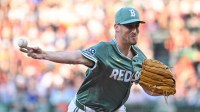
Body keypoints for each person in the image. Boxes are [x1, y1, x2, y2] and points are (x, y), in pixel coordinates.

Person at [19, 7, 160, 112]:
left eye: (136, 26)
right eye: (129, 26)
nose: (134, 30)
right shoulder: (104, 50)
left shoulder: (140, 58)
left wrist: (162, 89)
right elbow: (77, 57)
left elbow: (149, 90)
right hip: (86, 109)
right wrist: (45, 54)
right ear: (116, 27)